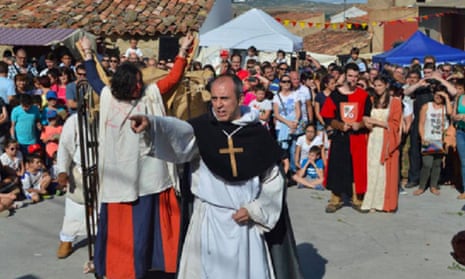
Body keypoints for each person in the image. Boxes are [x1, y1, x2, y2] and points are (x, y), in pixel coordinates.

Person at [129, 74, 301, 279]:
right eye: (214, 99)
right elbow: (178, 131)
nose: (218, 105)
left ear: (239, 99)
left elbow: (273, 179)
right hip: (209, 221)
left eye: (225, 99)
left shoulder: (257, 134)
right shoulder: (202, 129)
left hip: (244, 225)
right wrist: (152, 123)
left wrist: (255, 210)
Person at [80, 33, 193, 278]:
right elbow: (92, 79)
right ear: (125, 83)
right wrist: (88, 53)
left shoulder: (149, 96)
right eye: (137, 82)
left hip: (149, 173)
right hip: (120, 175)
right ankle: (121, 268)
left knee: (148, 225)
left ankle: (156, 264)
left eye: (141, 81)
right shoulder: (109, 97)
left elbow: (173, 79)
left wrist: (182, 51)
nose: (140, 85)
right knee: (125, 230)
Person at [320, 63, 371, 213]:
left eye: (356, 76)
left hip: (357, 137)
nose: (353, 79)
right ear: (345, 76)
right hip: (340, 137)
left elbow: (368, 116)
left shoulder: (363, 95)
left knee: (357, 167)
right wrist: (340, 126)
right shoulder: (335, 95)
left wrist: (360, 124)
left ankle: (357, 198)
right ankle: (336, 198)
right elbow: (327, 116)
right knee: (337, 167)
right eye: (350, 76)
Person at [361, 76, 402, 213]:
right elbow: (365, 117)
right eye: (375, 85)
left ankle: (382, 203)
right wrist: (367, 121)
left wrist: (375, 121)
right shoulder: (371, 100)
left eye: (380, 85)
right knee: (371, 169)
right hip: (372, 138)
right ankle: (370, 202)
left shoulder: (395, 102)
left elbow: (395, 124)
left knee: (382, 171)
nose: (377, 88)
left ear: (386, 85)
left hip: (386, 139)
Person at [55, 114, 90, 259]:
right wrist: (62, 170)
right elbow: (64, 146)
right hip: (80, 170)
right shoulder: (75, 120)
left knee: (102, 211)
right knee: (75, 209)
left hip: (105, 173)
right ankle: (66, 240)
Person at [413, 85, 452, 196]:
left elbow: (450, 113)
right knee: (427, 164)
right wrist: (422, 137)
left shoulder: (445, 107)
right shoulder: (426, 106)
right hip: (429, 139)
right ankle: (422, 186)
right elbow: (421, 123)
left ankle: (433, 186)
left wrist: (446, 98)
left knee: (437, 164)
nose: (438, 97)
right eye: (436, 94)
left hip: (440, 139)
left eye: (440, 95)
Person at [452, 79, 465, 199]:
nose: (457, 91)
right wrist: (457, 117)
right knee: (463, 161)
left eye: (459, 88)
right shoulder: (459, 99)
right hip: (461, 131)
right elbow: (453, 115)